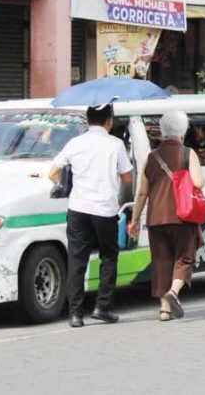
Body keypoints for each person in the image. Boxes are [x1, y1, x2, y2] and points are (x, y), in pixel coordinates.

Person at [49, 103, 133, 327]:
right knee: (108, 256)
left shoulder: (75, 143)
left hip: (78, 209)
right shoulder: (115, 144)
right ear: (109, 121)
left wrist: (71, 184)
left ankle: (75, 314)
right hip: (105, 210)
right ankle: (101, 307)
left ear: (87, 121)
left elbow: (53, 173)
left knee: (77, 260)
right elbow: (127, 179)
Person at [129, 111, 205, 321]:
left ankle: (164, 310)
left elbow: (142, 192)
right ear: (183, 131)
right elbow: (198, 182)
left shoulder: (151, 158)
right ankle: (174, 292)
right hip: (182, 216)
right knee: (185, 257)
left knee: (161, 262)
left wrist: (134, 220)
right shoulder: (188, 153)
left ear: (162, 131)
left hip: (155, 218)